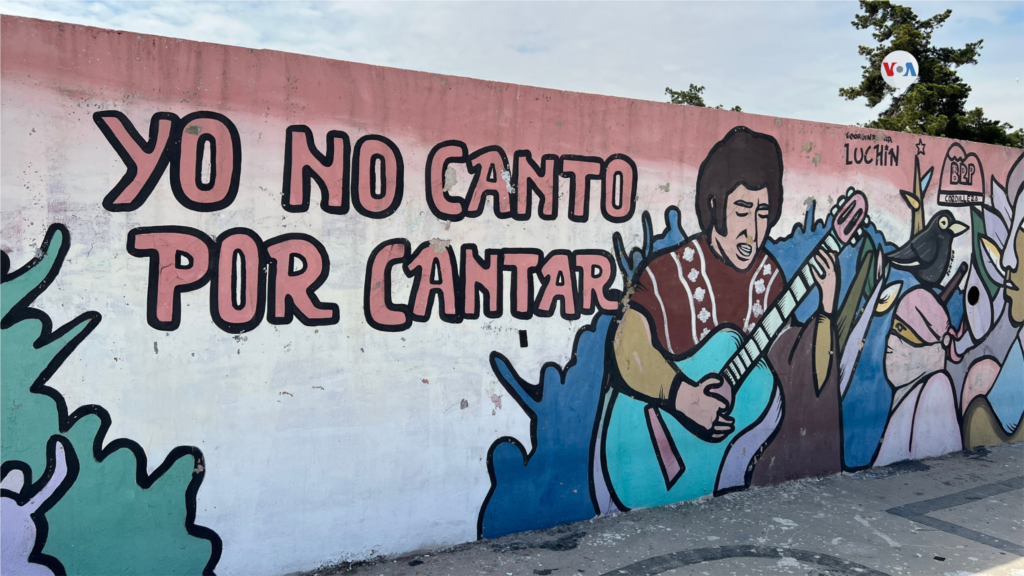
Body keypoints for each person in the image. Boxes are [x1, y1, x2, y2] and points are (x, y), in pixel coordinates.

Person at [612, 126, 841, 488]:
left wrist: (827, 306)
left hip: (723, 472)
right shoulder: (670, 269)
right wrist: (683, 398)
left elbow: (803, 374)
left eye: (763, 212)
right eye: (742, 209)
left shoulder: (770, 278)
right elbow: (628, 345)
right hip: (654, 446)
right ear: (715, 205)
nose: (753, 230)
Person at [875, 288, 961, 464]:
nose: (891, 342)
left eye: (904, 331)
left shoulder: (936, 386)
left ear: (935, 345)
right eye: (895, 328)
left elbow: (934, 457)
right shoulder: (908, 391)